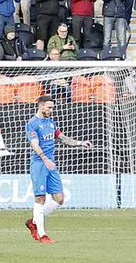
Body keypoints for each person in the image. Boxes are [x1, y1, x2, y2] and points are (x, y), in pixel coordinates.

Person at [25, 96, 92, 243]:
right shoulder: (33, 124)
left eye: (52, 107)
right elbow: (34, 145)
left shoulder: (50, 123)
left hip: (51, 165)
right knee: (40, 199)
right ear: (41, 107)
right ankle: (42, 235)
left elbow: (62, 138)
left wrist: (80, 143)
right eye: (49, 107)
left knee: (59, 199)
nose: (51, 110)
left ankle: (34, 222)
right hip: (39, 164)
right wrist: (45, 159)